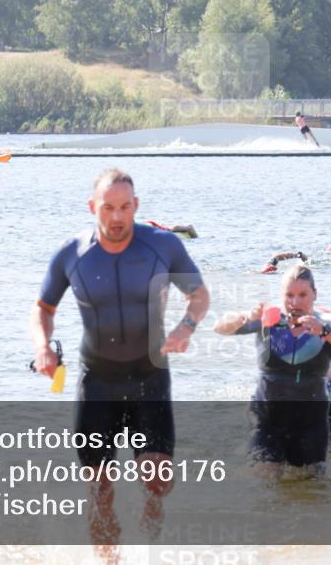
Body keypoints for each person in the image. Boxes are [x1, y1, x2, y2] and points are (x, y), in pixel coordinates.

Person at [30, 168, 210, 545]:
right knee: (98, 492)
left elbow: (199, 295)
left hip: (150, 378)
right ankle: (107, 557)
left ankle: (151, 531)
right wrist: (43, 347)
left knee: (158, 479)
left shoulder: (163, 246)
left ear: (136, 206)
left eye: (125, 207)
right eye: (108, 207)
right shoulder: (72, 254)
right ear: (92, 206)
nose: (116, 217)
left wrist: (186, 327)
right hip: (97, 382)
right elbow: (43, 308)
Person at [213, 265, 331, 478]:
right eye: (289, 295)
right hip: (267, 418)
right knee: (263, 477)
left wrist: (325, 331)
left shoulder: (325, 325)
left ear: (314, 294)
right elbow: (219, 327)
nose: (295, 302)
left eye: (302, 295)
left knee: (311, 488)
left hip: (311, 421)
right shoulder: (268, 321)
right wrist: (245, 317)